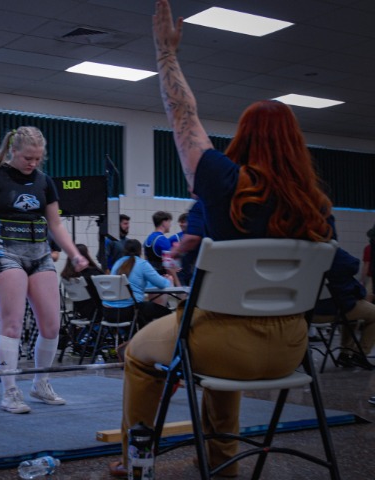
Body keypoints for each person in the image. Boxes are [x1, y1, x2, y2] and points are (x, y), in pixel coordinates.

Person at [109, 2, 335, 477]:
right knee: (213, 339)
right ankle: (222, 463)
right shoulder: (318, 208)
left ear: (242, 139)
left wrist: (165, 54)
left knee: (140, 355)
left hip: (222, 345)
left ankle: (136, 462)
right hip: (293, 348)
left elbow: (182, 113)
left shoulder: (222, 179)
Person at [0, 126, 88, 414]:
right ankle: (10, 391)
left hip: (40, 255)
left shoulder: (44, 181)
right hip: (7, 253)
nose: (33, 163)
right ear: (13, 151)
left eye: (38, 158)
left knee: (51, 326)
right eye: (28, 158)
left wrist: (74, 253)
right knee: (11, 324)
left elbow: (55, 224)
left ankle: (41, 383)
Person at [313, 247, 374, 370]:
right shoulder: (329, 250)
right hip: (334, 309)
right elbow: (353, 265)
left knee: (353, 315)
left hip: (308, 313)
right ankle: (360, 354)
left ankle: (346, 354)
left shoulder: (301, 253)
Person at [104, 239, 176, 331]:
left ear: (124, 250)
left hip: (109, 313)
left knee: (146, 311)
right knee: (166, 313)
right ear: (140, 251)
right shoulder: (142, 264)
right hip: (129, 311)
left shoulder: (117, 264)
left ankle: (140, 334)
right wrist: (169, 280)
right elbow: (162, 284)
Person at [170, 200, 206, 286]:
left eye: (184, 222)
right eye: (180, 222)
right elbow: (169, 256)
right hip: (182, 272)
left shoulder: (196, 236)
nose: (181, 224)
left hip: (192, 270)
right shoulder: (174, 238)